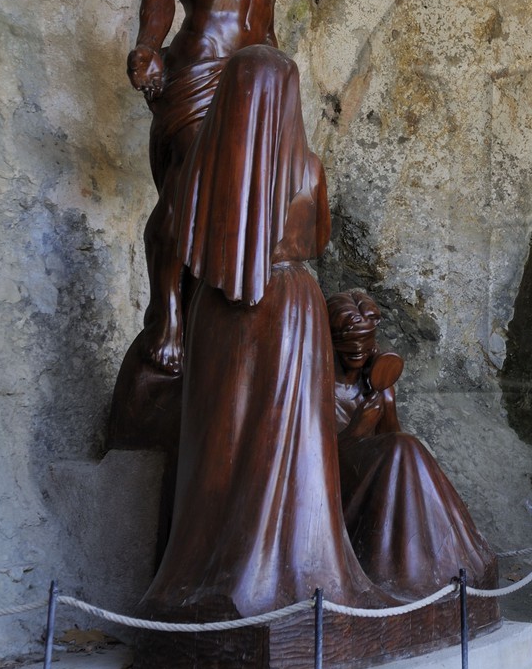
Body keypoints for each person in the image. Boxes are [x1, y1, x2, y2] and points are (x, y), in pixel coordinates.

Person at [139, 48, 388, 620]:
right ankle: (299, 572)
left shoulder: (204, 161)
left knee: (217, 441)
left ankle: (205, 574)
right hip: (292, 306)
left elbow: (175, 235)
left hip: (220, 311)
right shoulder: (310, 169)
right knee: (289, 440)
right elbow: (319, 234)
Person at [110, 0, 283, 449]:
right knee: (187, 189)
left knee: (242, 214)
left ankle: (220, 322)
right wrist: (147, 49)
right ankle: (168, 316)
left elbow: (267, 35)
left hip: (249, 99)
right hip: (196, 79)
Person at [327, 290, 499, 601]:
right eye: (350, 352)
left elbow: (394, 446)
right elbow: (311, 461)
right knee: (403, 448)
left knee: (407, 449)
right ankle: (399, 571)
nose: (359, 357)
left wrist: (384, 401)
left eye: (365, 349)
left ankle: (451, 558)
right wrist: (355, 432)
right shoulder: (317, 386)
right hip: (337, 487)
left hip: (377, 483)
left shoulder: (376, 386)